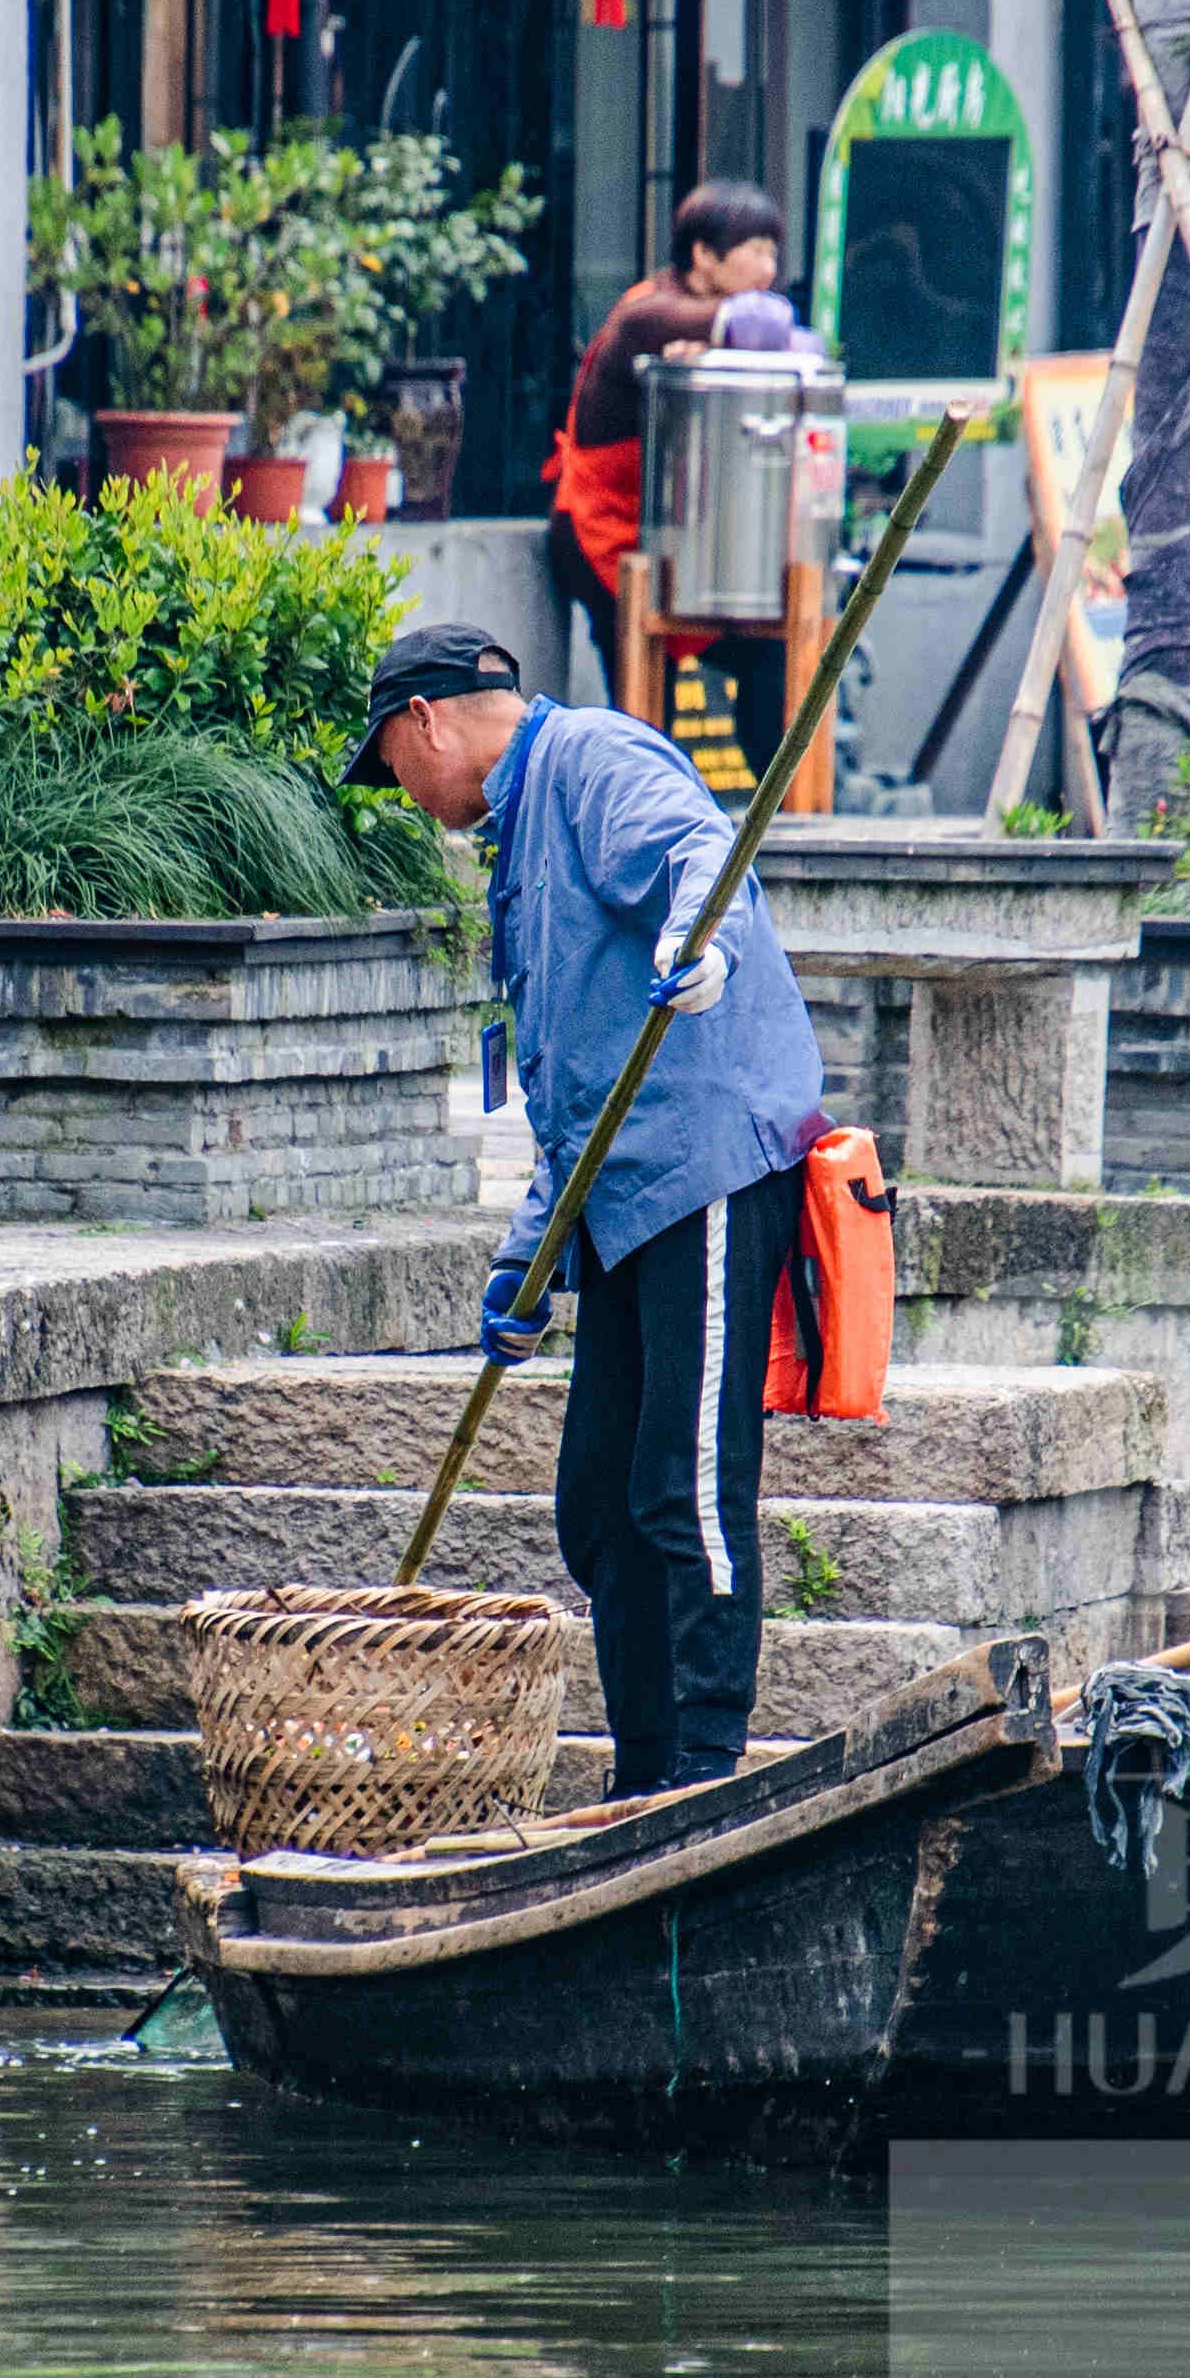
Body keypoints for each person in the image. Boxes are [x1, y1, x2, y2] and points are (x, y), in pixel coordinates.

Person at [348, 623, 824, 1802]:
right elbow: (572, 1088)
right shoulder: (517, 843)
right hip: (614, 1198)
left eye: (392, 767)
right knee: (600, 1502)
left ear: (427, 722)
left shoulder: (593, 756)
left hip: (706, 1160)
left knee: (687, 1480)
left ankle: (707, 1766)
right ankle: (644, 1770)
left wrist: (694, 935)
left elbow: (701, 853)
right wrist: (526, 1262)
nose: (404, 797)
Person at [546, 179, 795, 735]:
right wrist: (737, 332)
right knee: (643, 697)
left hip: (677, 535)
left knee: (764, 657)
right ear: (704, 255)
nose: (768, 268)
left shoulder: (702, 316)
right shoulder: (647, 312)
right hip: (601, 532)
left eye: (773, 252)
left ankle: (775, 813)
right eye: (755, 250)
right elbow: (764, 326)